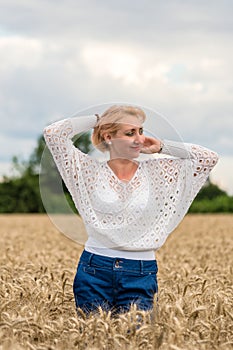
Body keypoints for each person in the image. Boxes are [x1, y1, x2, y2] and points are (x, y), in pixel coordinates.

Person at [43, 105, 218, 315]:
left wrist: (162, 147)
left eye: (141, 131)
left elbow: (207, 158)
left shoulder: (160, 172)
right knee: (93, 341)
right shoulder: (85, 170)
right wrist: (99, 119)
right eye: (130, 133)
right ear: (109, 136)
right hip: (94, 269)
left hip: (141, 272)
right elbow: (53, 134)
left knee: (136, 341)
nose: (139, 139)